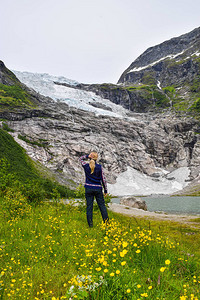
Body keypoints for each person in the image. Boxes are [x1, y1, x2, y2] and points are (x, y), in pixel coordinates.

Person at [79, 152, 109, 227]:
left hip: (88, 188)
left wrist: (87, 156)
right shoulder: (99, 167)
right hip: (98, 188)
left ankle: (90, 225)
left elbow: (80, 159)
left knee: (89, 207)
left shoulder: (86, 166)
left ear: (90, 157)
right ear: (96, 158)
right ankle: (107, 224)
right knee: (102, 206)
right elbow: (103, 179)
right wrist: (105, 190)